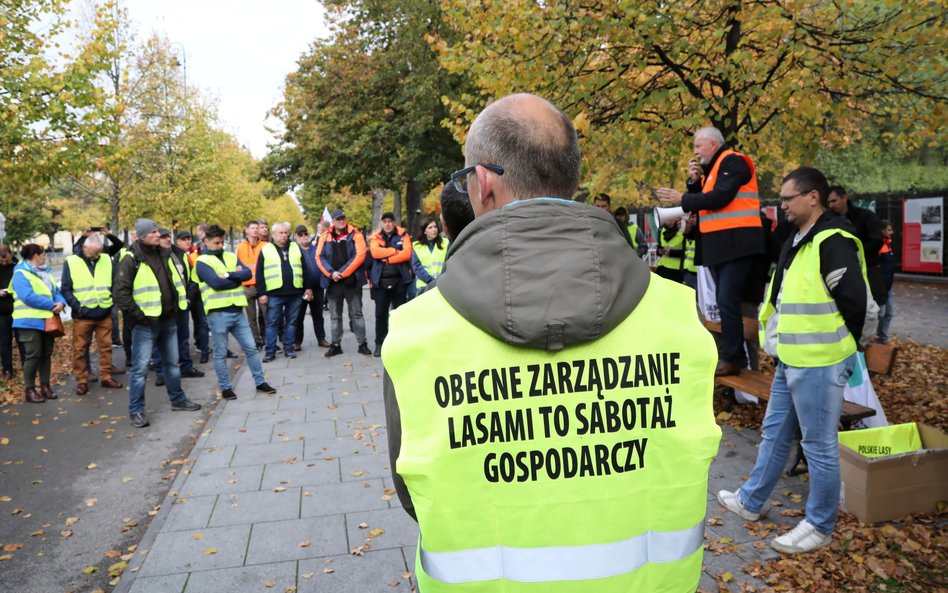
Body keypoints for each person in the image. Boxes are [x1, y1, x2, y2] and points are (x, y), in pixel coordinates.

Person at [382, 93, 720, 592]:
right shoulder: (676, 313)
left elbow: (412, 492)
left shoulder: (416, 331)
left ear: (483, 185)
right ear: (573, 179)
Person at [718, 167, 877, 554]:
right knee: (774, 432)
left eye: (788, 198)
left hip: (820, 361)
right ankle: (752, 500)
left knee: (819, 444)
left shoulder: (832, 240)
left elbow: (857, 305)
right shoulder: (798, 239)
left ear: (813, 198)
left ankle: (820, 525)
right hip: (792, 359)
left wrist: (842, 350)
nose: (782, 205)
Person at [656, 127, 765, 377]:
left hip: (737, 244)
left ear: (714, 145)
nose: (695, 151)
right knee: (725, 301)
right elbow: (705, 200)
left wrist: (681, 198)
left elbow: (719, 198)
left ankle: (733, 357)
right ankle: (732, 356)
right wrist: (694, 184)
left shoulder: (733, 162)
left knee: (727, 299)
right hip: (723, 247)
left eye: (698, 146)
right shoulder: (715, 170)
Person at [114, 218, 202, 428]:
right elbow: (121, 294)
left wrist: (180, 306)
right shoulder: (130, 258)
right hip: (145, 324)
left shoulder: (165, 254)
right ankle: (136, 411)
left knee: (172, 363)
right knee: (141, 369)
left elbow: (175, 282)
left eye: (159, 233)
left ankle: (178, 399)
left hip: (168, 319)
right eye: (154, 232)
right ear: (143, 235)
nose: (159, 236)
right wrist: (141, 317)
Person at [195, 225, 277, 399]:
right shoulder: (202, 262)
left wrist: (227, 275)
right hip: (217, 314)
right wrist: (235, 277)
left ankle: (260, 381)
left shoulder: (231, 256)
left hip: (238, 311)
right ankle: (225, 387)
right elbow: (215, 283)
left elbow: (247, 274)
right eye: (216, 242)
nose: (220, 246)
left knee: (251, 348)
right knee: (220, 353)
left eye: (222, 242)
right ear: (206, 241)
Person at [61, 235, 124, 395]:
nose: (97, 256)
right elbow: (66, 288)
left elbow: (114, 282)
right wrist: (77, 307)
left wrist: (111, 302)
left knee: (106, 346)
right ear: (84, 248)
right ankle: (81, 380)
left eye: (99, 252)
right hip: (83, 314)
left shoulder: (105, 259)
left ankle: (106, 376)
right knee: (80, 349)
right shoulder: (72, 261)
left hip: (104, 310)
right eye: (94, 253)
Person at [11, 244, 67, 404]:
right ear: (35, 255)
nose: (45, 258)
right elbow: (27, 296)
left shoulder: (45, 273)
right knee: (33, 355)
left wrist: (61, 303)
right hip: (28, 321)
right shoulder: (20, 274)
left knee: (46, 354)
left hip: (47, 321)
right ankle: (29, 389)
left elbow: (57, 291)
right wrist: (52, 305)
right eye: (43, 255)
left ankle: (45, 386)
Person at [151, 228, 204, 386]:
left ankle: (186, 367)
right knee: (160, 341)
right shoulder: (152, 258)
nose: (167, 239)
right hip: (162, 307)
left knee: (183, 338)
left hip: (181, 305)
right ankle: (161, 373)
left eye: (168, 236)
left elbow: (192, 277)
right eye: (163, 237)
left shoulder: (180, 255)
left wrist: (189, 297)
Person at [315, 209, 371, 357]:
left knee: (357, 314)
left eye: (343, 218)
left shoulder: (356, 234)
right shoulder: (325, 236)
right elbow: (319, 257)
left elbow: (360, 256)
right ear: (333, 221)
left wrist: (342, 273)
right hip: (333, 282)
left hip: (352, 282)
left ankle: (362, 344)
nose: (341, 221)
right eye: (337, 219)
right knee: (334, 315)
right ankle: (335, 344)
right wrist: (331, 273)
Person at [255, 222, 313, 362]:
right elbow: (259, 273)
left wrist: (308, 287)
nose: (284, 235)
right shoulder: (266, 249)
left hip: (295, 293)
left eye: (286, 232)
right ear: (273, 235)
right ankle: (270, 351)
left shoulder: (295, 247)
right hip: (274, 294)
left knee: (292, 322)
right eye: (280, 233)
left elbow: (305, 269)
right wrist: (261, 293)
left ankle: (289, 348)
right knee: (272, 323)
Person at [828, 185, 886, 307]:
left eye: (834, 201)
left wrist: (855, 254)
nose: (831, 205)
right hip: (842, 271)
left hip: (868, 269)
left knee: (876, 308)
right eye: (828, 202)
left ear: (844, 198)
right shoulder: (828, 220)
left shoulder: (865, 216)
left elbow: (876, 240)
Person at [368, 212, 413, 357]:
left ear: (394, 222)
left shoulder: (403, 235)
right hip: (380, 282)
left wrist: (387, 259)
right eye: (385, 221)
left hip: (400, 281)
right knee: (380, 315)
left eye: (390, 221)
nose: (387, 224)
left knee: (399, 314)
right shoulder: (375, 237)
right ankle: (379, 343)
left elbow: (407, 254)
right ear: (381, 223)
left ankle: (400, 344)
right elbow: (375, 252)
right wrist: (394, 251)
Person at [292, 224, 330, 350]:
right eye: (300, 234)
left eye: (305, 234)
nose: (303, 236)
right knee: (299, 315)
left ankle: (321, 338)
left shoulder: (315, 248)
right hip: (301, 289)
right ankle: (297, 341)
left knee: (318, 315)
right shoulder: (294, 250)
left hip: (318, 287)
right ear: (296, 237)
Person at [236, 220, 267, 348]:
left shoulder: (265, 246)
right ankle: (256, 341)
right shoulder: (240, 247)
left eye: (256, 228)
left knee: (267, 316)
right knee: (251, 318)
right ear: (247, 230)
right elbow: (237, 266)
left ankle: (268, 339)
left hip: (261, 287)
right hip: (247, 287)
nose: (255, 230)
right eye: (252, 228)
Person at [409, 217, 448, 300]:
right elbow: (416, 267)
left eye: (435, 227)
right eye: (430, 228)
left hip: (442, 285)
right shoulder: (417, 246)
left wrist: (439, 281)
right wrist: (431, 281)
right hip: (423, 287)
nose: (434, 229)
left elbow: (448, 262)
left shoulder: (446, 243)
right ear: (424, 231)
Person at [0, 246, 23, 380]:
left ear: (11, 255)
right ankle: (7, 370)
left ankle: (27, 366)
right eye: (1, 261)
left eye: (6, 261)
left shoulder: (18, 267)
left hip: (18, 310)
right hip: (2, 312)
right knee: (4, 342)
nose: (3, 264)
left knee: (22, 340)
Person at [877, 219, 896, 343]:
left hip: (888, 286)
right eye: (889, 230)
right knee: (879, 314)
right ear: (882, 230)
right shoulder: (878, 245)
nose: (892, 232)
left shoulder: (888, 245)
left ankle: (882, 338)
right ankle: (872, 338)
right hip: (880, 287)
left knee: (888, 313)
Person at [655, 218, 686, 283]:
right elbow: (659, 246)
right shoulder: (662, 230)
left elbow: (686, 252)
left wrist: (671, 253)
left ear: (676, 219)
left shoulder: (682, 230)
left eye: (670, 218)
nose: (667, 221)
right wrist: (659, 251)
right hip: (662, 266)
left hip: (676, 270)